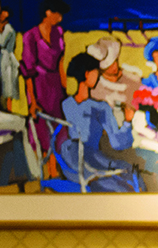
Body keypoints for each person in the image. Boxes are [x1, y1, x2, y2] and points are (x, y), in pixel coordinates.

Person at [52, 51, 139, 192]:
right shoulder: (100, 108)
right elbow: (118, 143)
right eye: (96, 72)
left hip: (70, 164)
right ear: (87, 74)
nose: (98, 76)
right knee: (130, 172)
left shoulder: (66, 104)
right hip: (90, 163)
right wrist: (127, 121)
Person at [21, 0, 69, 175]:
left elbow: (60, 63)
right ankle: (46, 173)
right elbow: (28, 72)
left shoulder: (59, 33)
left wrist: (64, 90)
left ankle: (54, 171)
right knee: (42, 129)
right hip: (39, 88)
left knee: (59, 128)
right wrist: (32, 101)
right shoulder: (30, 36)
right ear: (48, 13)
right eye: (58, 14)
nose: (60, 18)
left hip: (55, 87)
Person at [87, 36, 142, 119]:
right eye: (109, 66)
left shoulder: (132, 77)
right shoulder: (97, 90)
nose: (114, 66)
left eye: (115, 61)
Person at [0, 5, 21, 112]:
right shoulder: (6, 28)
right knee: (6, 83)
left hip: (7, 58)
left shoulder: (8, 28)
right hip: (5, 57)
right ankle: (7, 107)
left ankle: (9, 108)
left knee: (8, 84)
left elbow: (1, 42)